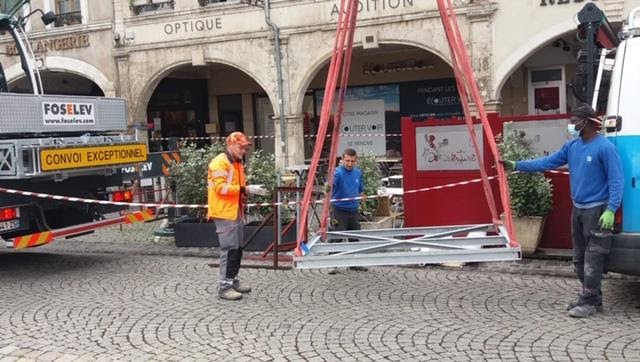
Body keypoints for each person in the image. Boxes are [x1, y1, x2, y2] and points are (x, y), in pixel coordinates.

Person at [501, 103, 623, 318]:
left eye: (574, 121)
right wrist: (516, 164)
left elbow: (616, 181)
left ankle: (588, 302)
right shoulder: (573, 147)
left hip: (598, 210)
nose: (571, 125)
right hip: (578, 209)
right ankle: (592, 296)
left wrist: (611, 209)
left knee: (593, 257)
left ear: (586, 122)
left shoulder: (604, 148)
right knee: (578, 259)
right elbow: (547, 162)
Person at [207, 132, 268, 301]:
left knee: (238, 247)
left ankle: (232, 280)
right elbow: (220, 188)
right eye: (241, 147)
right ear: (231, 145)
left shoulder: (236, 163)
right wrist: (245, 190)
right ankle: (224, 286)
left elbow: (234, 186)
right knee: (229, 249)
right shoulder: (220, 162)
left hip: (234, 210)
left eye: (245, 147)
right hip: (224, 212)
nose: (243, 150)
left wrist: (247, 190)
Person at [328, 148, 367, 274]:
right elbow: (328, 188)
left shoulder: (358, 173)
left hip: (353, 209)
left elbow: (360, 189)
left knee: (355, 237)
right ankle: (332, 263)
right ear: (342, 160)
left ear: (356, 160)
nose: (349, 164)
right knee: (337, 236)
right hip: (339, 209)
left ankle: (354, 263)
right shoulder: (337, 173)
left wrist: (363, 197)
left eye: (352, 161)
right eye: (347, 161)